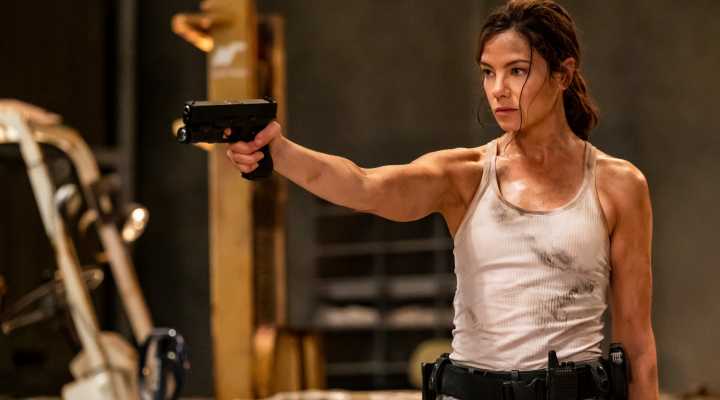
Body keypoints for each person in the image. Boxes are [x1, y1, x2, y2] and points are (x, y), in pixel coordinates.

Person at [226, 0, 658, 398]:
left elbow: (637, 346)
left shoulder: (618, 185)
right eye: (488, 72)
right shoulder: (464, 175)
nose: (498, 89)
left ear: (563, 74)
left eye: (517, 71)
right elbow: (364, 186)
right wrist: (278, 151)